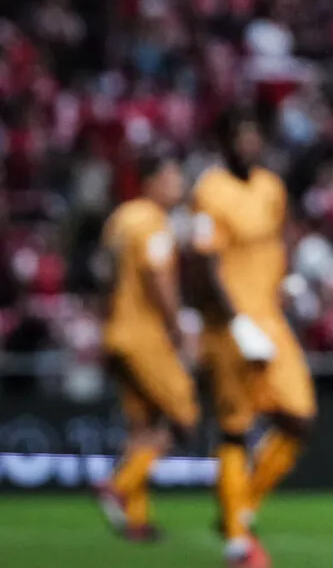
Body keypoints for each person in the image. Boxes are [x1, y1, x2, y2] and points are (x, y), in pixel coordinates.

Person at [193, 110, 317, 568]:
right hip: (231, 325)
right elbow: (206, 264)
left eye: (253, 137)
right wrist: (236, 320)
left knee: (299, 418)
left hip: (270, 317)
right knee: (235, 427)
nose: (248, 145)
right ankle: (237, 538)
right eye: (239, 137)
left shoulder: (270, 186)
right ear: (224, 143)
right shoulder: (210, 190)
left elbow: (279, 239)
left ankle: (241, 505)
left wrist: (287, 282)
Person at [95, 153, 198, 542]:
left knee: (144, 425)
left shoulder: (120, 219)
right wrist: (178, 327)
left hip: (117, 332)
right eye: (172, 178)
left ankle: (136, 519)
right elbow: (157, 276)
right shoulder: (153, 221)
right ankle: (119, 485)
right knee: (183, 415)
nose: (178, 185)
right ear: (151, 182)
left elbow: (104, 276)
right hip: (144, 336)